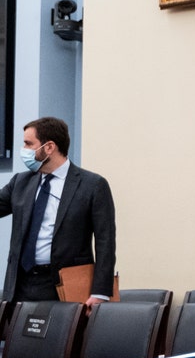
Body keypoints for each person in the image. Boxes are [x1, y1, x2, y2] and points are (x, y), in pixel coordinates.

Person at [1, 117, 117, 313]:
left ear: (49, 147)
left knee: (61, 343)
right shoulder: (20, 182)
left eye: (29, 144)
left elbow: (105, 241)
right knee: (19, 344)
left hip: (64, 285)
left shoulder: (93, 185)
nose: (24, 150)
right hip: (21, 285)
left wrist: (100, 292)